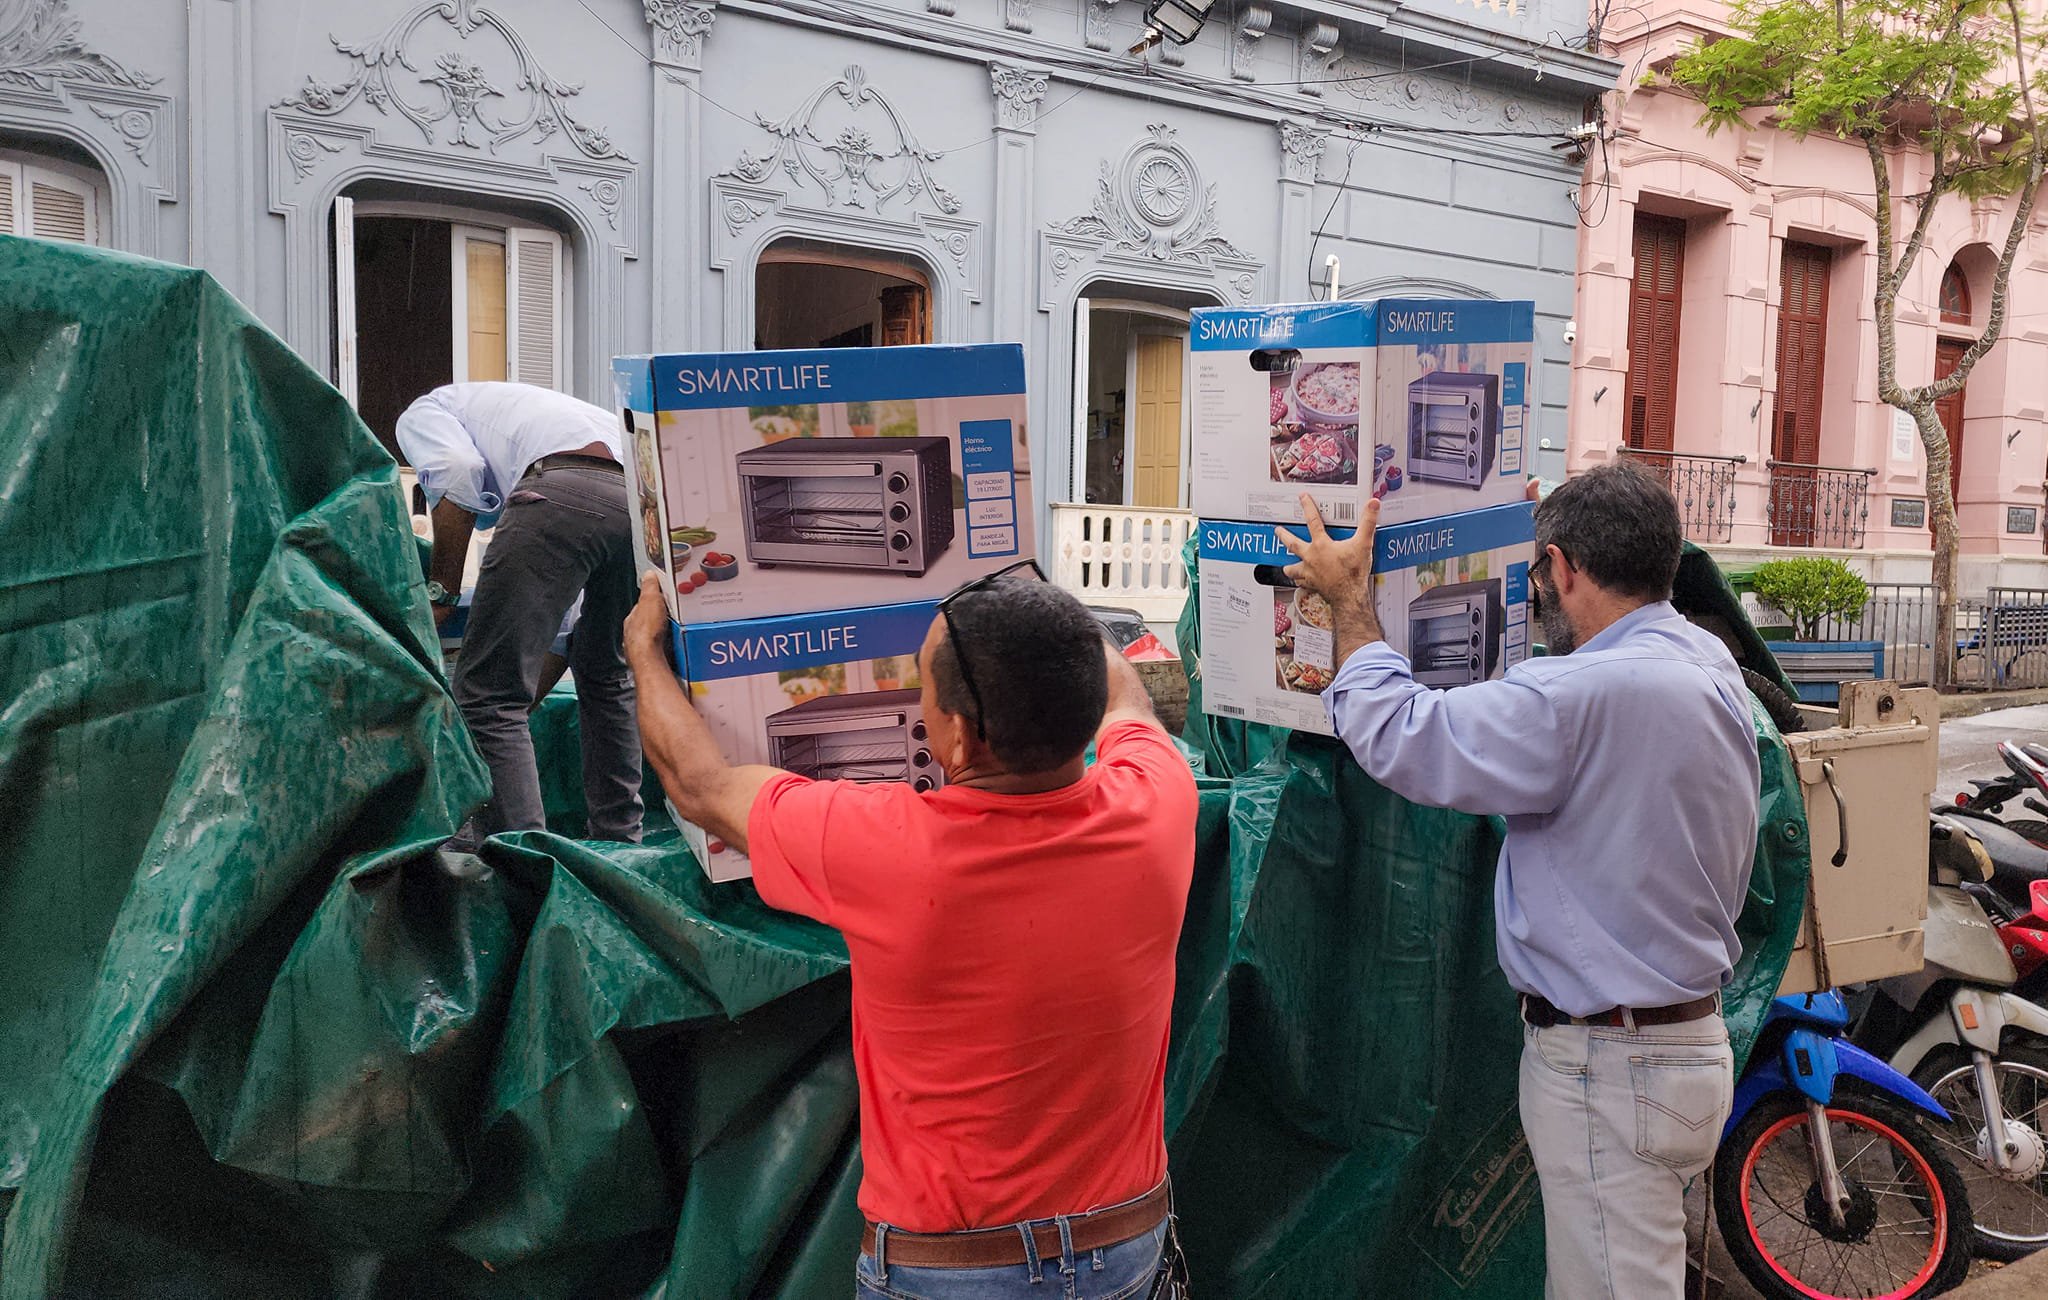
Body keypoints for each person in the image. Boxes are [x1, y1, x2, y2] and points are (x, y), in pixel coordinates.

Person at [624, 563, 1199, 1299]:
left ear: (957, 739)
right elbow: (1127, 698)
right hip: (1123, 1250)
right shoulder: (1159, 804)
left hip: (954, 1273)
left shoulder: (882, 847)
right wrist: (1039, 609)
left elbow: (698, 784)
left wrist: (643, 647)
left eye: (922, 689)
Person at [1277, 465, 1760, 1300]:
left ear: (1563, 568)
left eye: (1539, 573)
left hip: (1612, 1063)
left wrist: (1348, 599)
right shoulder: (1704, 660)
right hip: (1677, 1051)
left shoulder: (1578, 695)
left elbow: (1402, 734)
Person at [396, 381, 642, 843]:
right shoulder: (535, 412)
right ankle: (619, 842)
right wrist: (511, 712)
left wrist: (443, 589)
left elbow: (457, 468)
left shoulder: (423, 411)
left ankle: (526, 860)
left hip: (559, 485)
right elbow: (561, 630)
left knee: (487, 692)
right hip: (642, 501)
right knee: (605, 672)